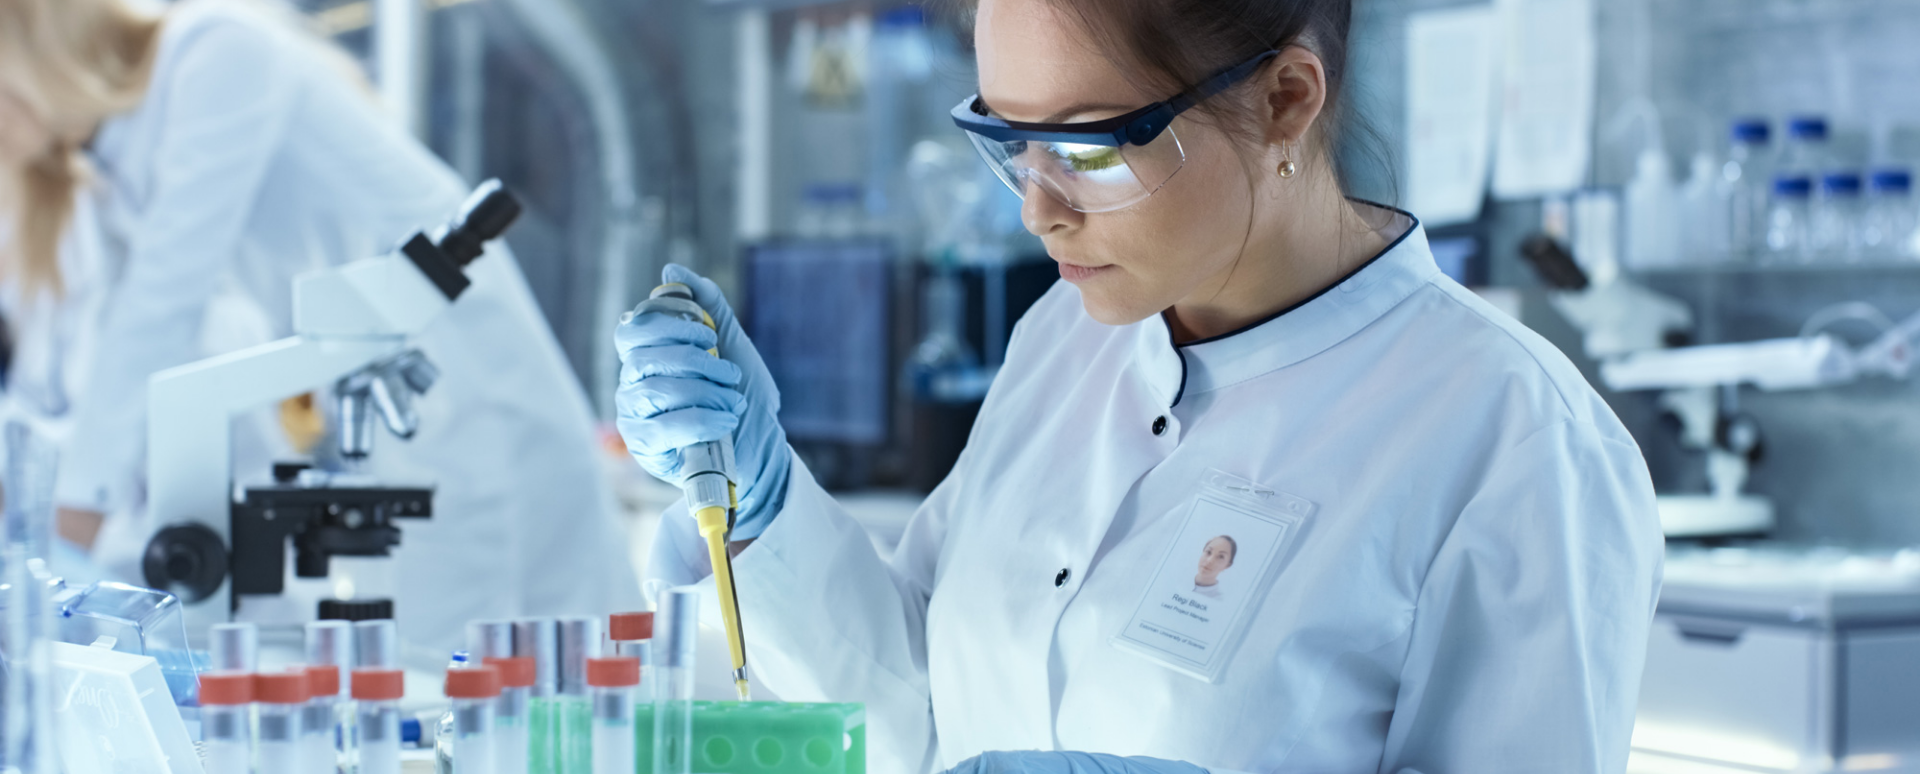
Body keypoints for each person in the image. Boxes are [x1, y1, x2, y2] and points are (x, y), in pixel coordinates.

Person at [618, 0, 1663, 770]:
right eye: (1006, 140)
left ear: (1286, 98)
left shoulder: (1514, 439)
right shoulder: (1063, 340)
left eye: (1087, 146)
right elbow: (924, 713)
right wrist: (760, 509)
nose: (1039, 210)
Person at [0, 0, 640, 662]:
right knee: (455, 659)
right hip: (368, 386)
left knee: (496, 649)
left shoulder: (214, 50)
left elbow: (166, 297)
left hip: (449, 364)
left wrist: (74, 512)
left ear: (28, 47)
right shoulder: (101, 159)